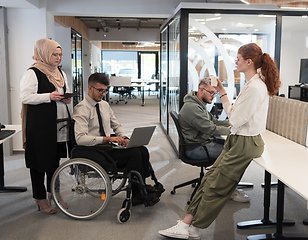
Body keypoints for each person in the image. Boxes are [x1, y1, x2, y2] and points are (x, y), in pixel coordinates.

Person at [159, 43, 281, 239]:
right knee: (208, 180)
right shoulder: (251, 84)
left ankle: (192, 227)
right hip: (238, 139)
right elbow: (233, 115)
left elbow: (235, 119)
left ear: (249, 62)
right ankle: (186, 224)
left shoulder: (255, 87)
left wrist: (230, 113)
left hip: (245, 143)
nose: (235, 62)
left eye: (238, 59)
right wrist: (223, 92)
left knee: (216, 186)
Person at [72, 73, 163, 207]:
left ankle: (141, 185)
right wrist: (108, 138)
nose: (103, 93)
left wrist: (124, 138)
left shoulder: (104, 105)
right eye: (100, 90)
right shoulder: (81, 109)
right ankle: (138, 194)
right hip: (93, 150)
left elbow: (116, 125)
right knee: (134, 154)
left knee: (142, 150)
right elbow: (80, 139)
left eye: (105, 90)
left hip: (107, 147)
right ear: (90, 88)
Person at [20, 38, 72, 214]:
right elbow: (25, 97)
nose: (58, 58)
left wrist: (65, 98)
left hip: (58, 125)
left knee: (54, 163)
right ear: (43, 53)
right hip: (41, 126)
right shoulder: (33, 72)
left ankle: (54, 194)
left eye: (60, 55)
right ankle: (40, 198)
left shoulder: (60, 73)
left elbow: (60, 95)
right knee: (39, 163)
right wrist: (48, 96)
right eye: (54, 54)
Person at [178, 78, 250, 203]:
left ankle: (225, 184)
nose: (213, 96)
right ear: (201, 90)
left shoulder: (198, 103)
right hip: (195, 148)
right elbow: (211, 129)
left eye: (215, 93)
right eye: (211, 93)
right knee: (233, 154)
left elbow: (214, 121)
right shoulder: (192, 108)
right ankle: (229, 190)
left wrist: (234, 124)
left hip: (203, 142)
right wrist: (235, 131)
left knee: (233, 146)